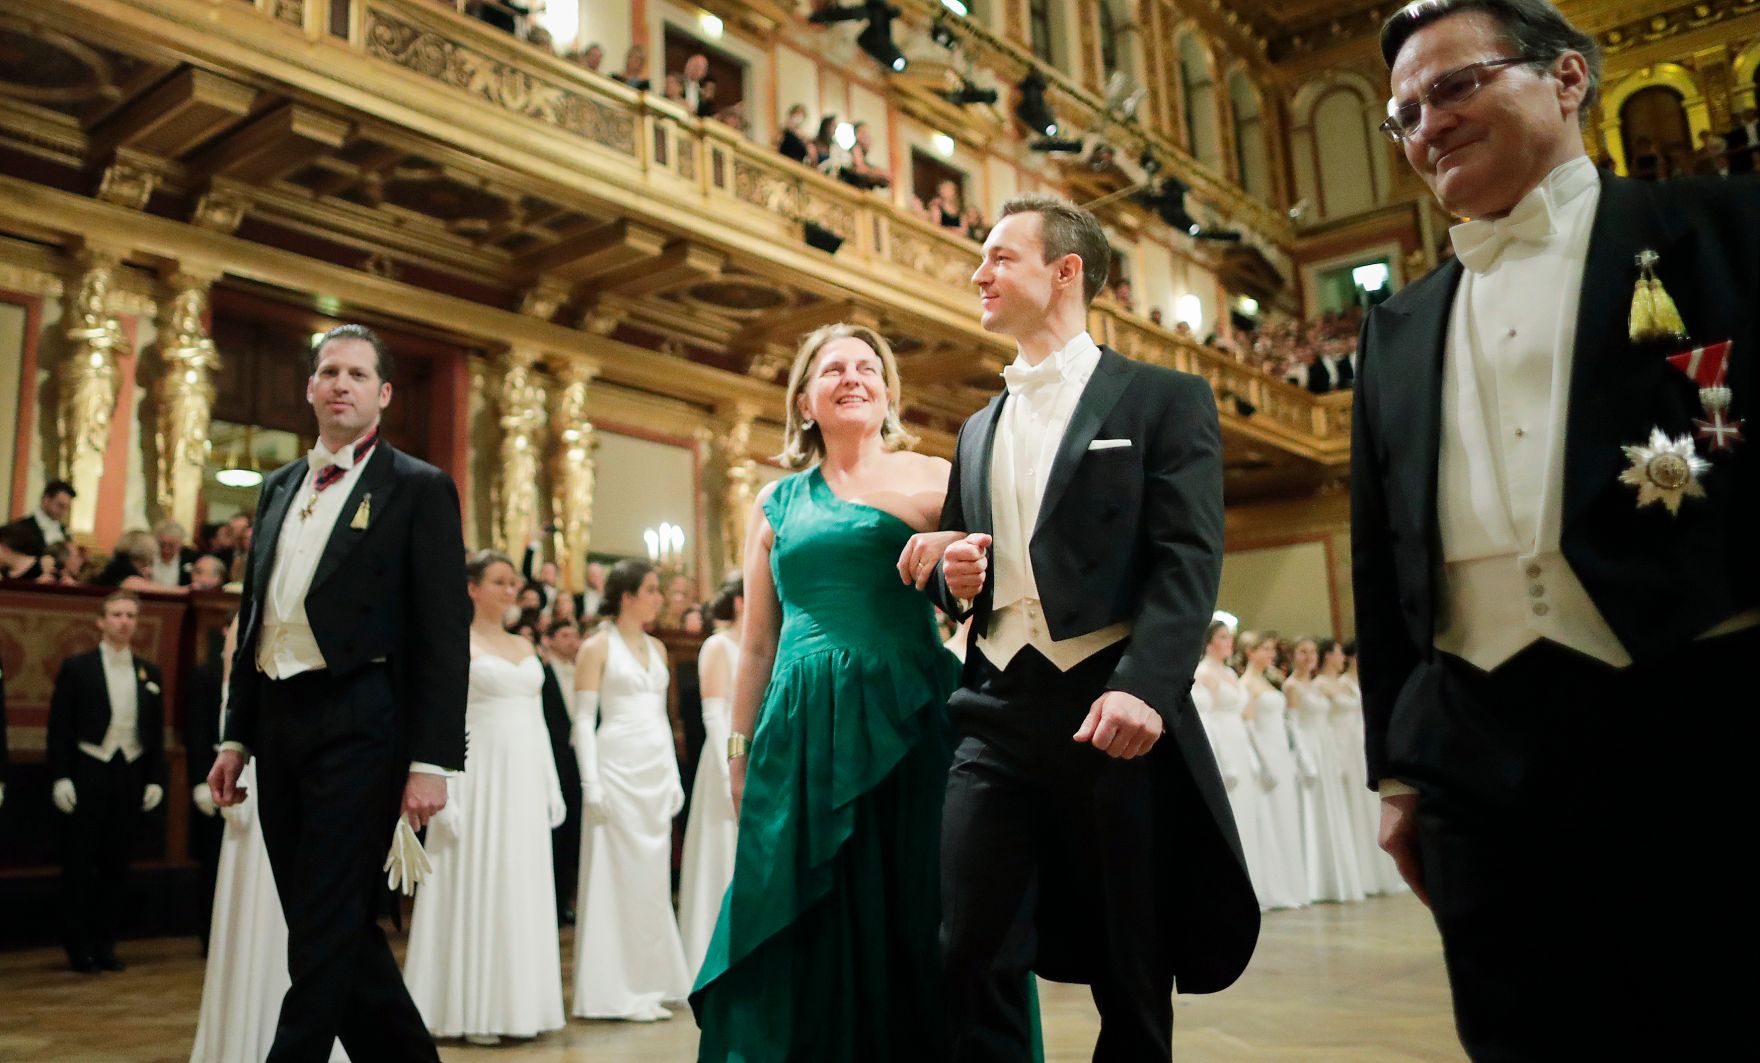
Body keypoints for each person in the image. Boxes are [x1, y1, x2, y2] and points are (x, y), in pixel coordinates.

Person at [1354, 2, 1758, 1056]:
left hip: (1697, 718)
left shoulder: (1727, 231)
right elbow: (1383, 555)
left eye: (1454, 86)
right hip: (1473, 756)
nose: (1426, 123)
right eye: (1402, 114)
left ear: (1565, 79)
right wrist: (1398, 770)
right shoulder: (1393, 329)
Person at [922, 193, 1258, 1060]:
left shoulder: (1162, 398)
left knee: (1130, 961)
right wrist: (955, 579)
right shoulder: (975, 428)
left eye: (1000, 256)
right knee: (969, 943)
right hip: (994, 704)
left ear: (1065, 271)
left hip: (1109, 704)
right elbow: (969, 570)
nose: (978, 272)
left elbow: (1188, 556)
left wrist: (1147, 685)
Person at [692, 322, 969, 1058]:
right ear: (805, 402)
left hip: (910, 713)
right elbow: (756, 642)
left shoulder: (937, 476)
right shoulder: (775, 501)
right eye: (833, 369)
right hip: (801, 726)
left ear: (887, 392)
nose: (852, 376)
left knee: (914, 903)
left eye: (867, 367)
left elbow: (995, 580)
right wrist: (739, 747)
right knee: (798, 909)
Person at [207, 323, 469, 1063]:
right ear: (312, 387)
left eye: (358, 373)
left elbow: (444, 635)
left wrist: (431, 760)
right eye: (329, 372)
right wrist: (235, 735)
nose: (341, 384)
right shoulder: (277, 486)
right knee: (331, 925)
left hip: (363, 720)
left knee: (325, 925)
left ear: (383, 393)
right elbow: (254, 616)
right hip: (279, 720)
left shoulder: (418, 487)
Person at [404, 550, 566, 1046]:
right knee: (476, 874)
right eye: (498, 581)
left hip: (522, 777)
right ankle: (466, 1006)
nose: (509, 590)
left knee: (520, 880)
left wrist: (551, 783)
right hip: (475, 773)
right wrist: (436, 781)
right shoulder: (454, 642)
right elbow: (434, 715)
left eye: (513, 582)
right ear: (471, 588)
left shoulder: (525, 645)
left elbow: (538, 720)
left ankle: (519, 1004)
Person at [192, 617, 349, 1063]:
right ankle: (243, 1038)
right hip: (251, 793)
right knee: (250, 905)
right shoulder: (245, 631)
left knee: (304, 913)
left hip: (300, 792)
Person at [571, 559, 690, 1021]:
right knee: (616, 873)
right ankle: (615, 988)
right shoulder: (596, 647)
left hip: (652, 770)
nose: (659, 598)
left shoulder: (659, 649)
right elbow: (583, 719)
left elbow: (662, 716)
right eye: (652, 589)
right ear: (627, 596)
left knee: (652, 878)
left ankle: (651, 981)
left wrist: (674, 776)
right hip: (615, 766)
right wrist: (591, 781)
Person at [48, 590, 166, 973]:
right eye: (116, 614)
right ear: (100, 620)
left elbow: (154, 731)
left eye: (131, 615)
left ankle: (106, 943)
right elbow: (59, 728)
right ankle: (77, 945)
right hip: (89, 769)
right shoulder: (77, 667)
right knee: (81, 862)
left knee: (118, 863)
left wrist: (154, 778)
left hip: (129, 771)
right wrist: (62, 776)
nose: (124, 621)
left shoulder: (149, 671)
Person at [677, 576, 742, 973]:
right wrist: (729, 764)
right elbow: (714, 714)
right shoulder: (718, 646)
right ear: (738, 602)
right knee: (721, 848)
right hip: (724, 756)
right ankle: (710, 952)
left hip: (758, 754)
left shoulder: (765, 640)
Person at [1191, 622, 1268, 905]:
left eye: (1229, 637)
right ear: (1209, 642)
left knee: (1248, 810)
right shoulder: (1203, 673)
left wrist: (1251, 756)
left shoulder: (1229, 672)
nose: (1228, 642)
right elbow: (1207, 720)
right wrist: (1225, 761)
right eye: (1223, 637)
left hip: (1239, 741)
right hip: (1223, 742)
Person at [1285, 636, 1363, 904]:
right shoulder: (1292, 685)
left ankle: (1337, 876)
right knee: (1315, 811)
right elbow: (1293, 724)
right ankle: (1317, 880)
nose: (1308, 657)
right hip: (1311, 750)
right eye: (1302, 652)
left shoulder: (1315, 685)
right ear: (1294, 656)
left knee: (1333, 810)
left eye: (1311, 652)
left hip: (1326, 748)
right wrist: (1305, 759)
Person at [1238, 630, 1307, 910]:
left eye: (1271, 649)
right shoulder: (1247, 684)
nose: (1271, 654)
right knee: (1272, 817)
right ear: (1250, 652)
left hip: (1281, 752)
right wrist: (1262, 762)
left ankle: (1292, 884)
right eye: (1264, 649)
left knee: (1287, 817)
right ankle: (1274, 887)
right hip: (1267, 754)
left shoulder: (1269, 681)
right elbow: (1249, 725)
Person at [538, 618, 583, 922]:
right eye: (564, 635)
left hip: (578, 761)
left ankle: (567, 899)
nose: (571, 640)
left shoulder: (585, 671)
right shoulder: (541, 675)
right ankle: (549, 902)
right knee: (554, 833)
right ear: (550, 640)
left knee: (573, 834)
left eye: (574, 635)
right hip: (552, 758)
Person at [2, 478, 73, 557]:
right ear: (46, 500)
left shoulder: (65, 533)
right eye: (60, 506)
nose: (64, 512)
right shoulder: (19, 529)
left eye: (67, 508)